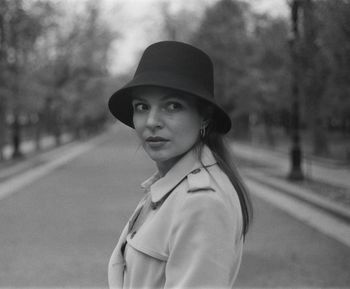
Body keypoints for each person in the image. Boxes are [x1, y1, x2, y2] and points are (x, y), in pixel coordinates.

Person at [107, 41, 253, 289]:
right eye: (142, 107)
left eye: (172, 106)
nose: (152, 121)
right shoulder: (169, 185)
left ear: (204, 116)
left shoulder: (202, 203)